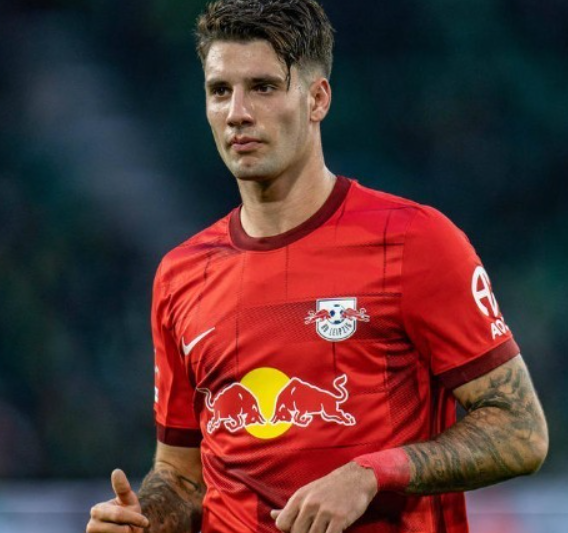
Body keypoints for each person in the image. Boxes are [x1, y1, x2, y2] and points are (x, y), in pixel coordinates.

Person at [86, 1, 548, 532]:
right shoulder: (181, 275)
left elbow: (519, 430)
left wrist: (372, 474)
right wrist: (143, 520)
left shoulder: (415, 242)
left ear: (317, 99)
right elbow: (182, 477)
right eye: (220, 91)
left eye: (263, 87)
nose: (237, 112)